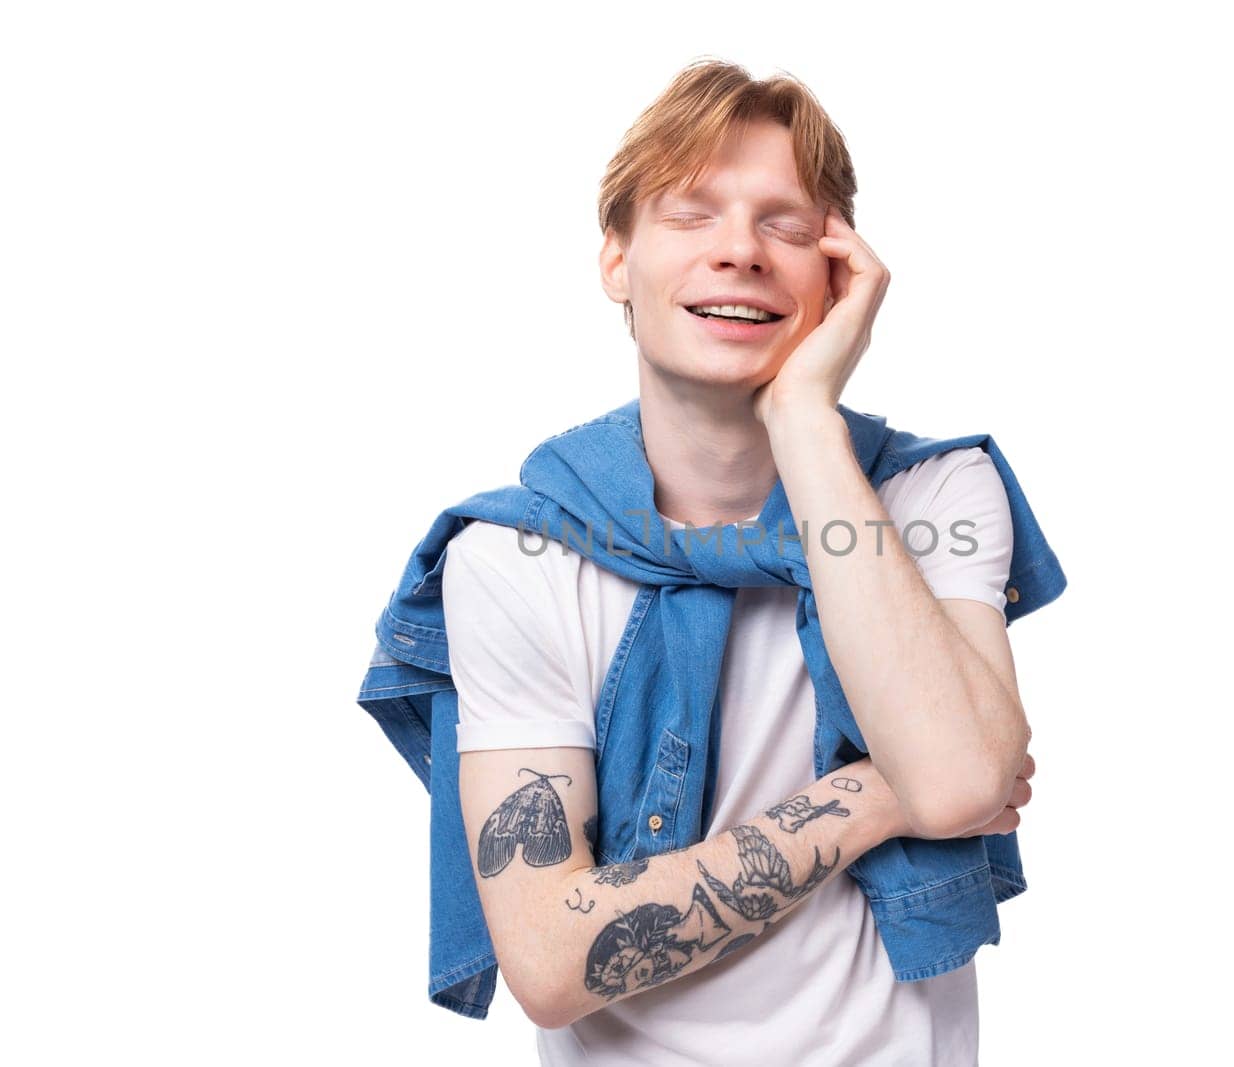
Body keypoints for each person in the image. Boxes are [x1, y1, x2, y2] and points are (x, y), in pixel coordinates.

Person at [428, 59, 1058, 1065]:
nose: (739, 251)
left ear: (839, 273)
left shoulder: (933, 494)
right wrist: (880, 789)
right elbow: (546, 962)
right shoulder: (515, 555)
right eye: (689, 215)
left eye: (787, 224)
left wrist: (805, 418)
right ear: (615, 260)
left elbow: (958, 783)